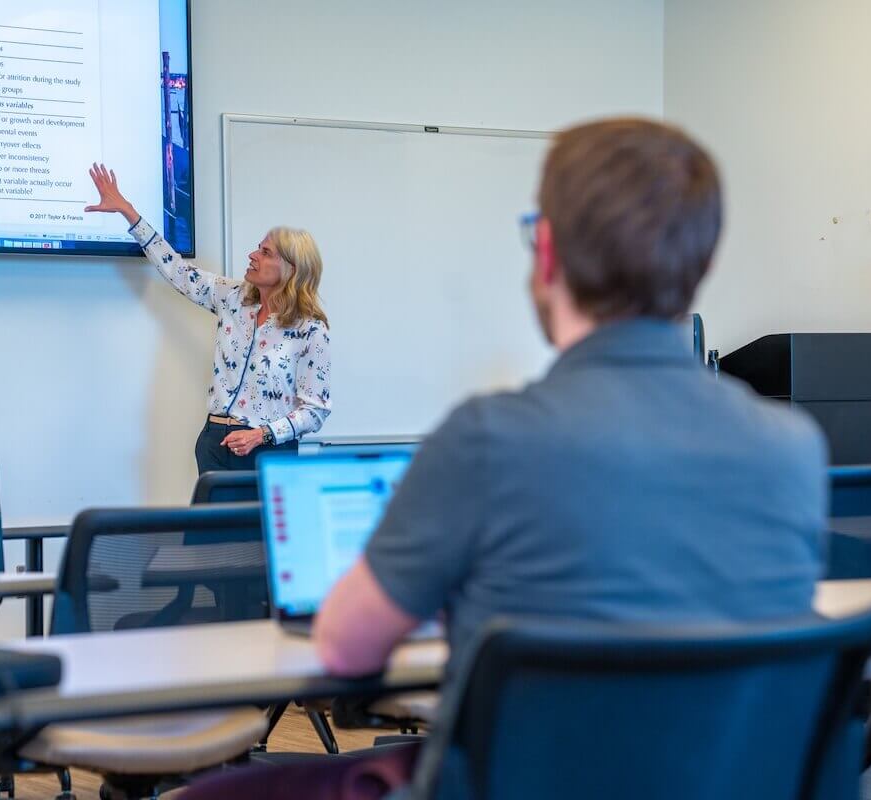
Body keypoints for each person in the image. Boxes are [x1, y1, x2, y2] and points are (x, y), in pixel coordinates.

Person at [179, 117, 829, 798]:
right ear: (704, 264)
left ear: (546, 254)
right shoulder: (793, 451)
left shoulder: (485, 441)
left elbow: (344, 647)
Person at [84, 163, 332, 473]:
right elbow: (176, 270)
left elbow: (316, 411)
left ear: (291, 269)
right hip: (214, 443)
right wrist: (128, 212)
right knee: (208, 523)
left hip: (268, 452)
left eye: (265, 252)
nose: (253, 255)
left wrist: (262, 434)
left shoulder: (310, 330)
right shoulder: (233, 298)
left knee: (260, 525)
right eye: (257, 248)